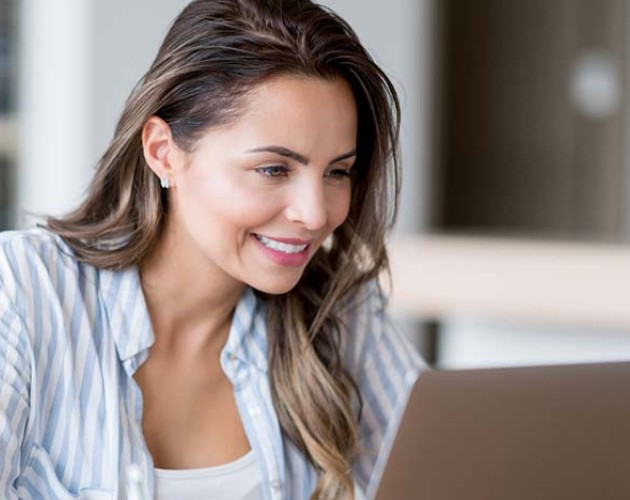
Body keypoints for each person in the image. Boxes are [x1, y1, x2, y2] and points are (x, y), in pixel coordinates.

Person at [0, 0, 425, 499]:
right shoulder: (25, 292)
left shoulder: (337, 313)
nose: (315, 214)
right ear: (164, 153)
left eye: (337, 172)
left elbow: (448, 474)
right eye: (273, 169)